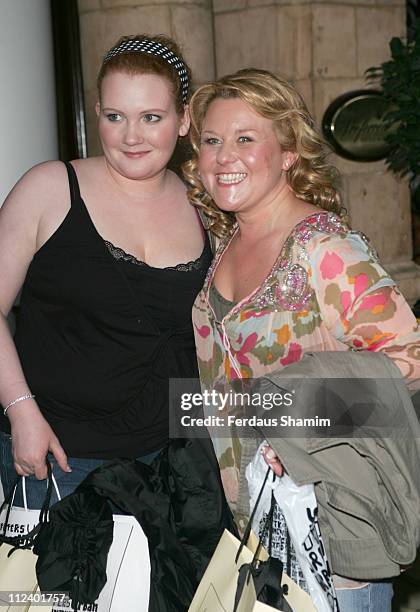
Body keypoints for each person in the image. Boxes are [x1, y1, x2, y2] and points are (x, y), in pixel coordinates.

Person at [183, 68, 420, 611]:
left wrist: (292, 424)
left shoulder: (323, 247)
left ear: (288, 153)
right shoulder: (229, 240)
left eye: (246, 139)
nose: (224, 155)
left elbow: (408, 360)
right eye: (212, 140)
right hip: (257, 531)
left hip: (330, 533)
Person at [0, 34, 213, 507]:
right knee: (39, 586)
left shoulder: (206, 203)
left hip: (175, 465)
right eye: (115, 116)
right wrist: (21, 413)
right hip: (59, 458)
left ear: (183, 121)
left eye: (151, 118)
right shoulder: (50, 188)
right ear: (97, 112)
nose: (131, 136)